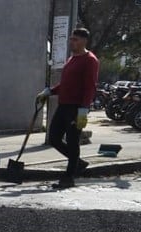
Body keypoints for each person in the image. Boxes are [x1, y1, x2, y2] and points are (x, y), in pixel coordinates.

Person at [36, 28, 99, 190]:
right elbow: (65, 84)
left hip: (76, 108)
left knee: (72, 143)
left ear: (84, 41)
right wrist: (50, 91)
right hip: (63, 105)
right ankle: (77, 163)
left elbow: (89, 87)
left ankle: (69, 176)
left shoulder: (90, 60)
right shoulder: (71, 59)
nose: (72, 42)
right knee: (54, 138)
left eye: (75, 39)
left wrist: (84, 109)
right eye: (71, 39)